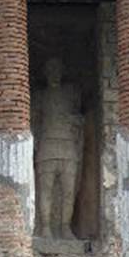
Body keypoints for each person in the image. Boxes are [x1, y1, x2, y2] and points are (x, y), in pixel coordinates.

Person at [33, 58, 84, 240]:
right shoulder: (40, 96)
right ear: (45, 73)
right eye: (50, 69)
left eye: (57, 69)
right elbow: (33, 123)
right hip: (47, 147)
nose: (54, 72)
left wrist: (74, 120)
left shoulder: (70, 94)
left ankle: (65, 227)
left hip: (68, 147)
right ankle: (45, 227)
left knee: (68, 191)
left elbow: (79, 119)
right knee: (45, 190)